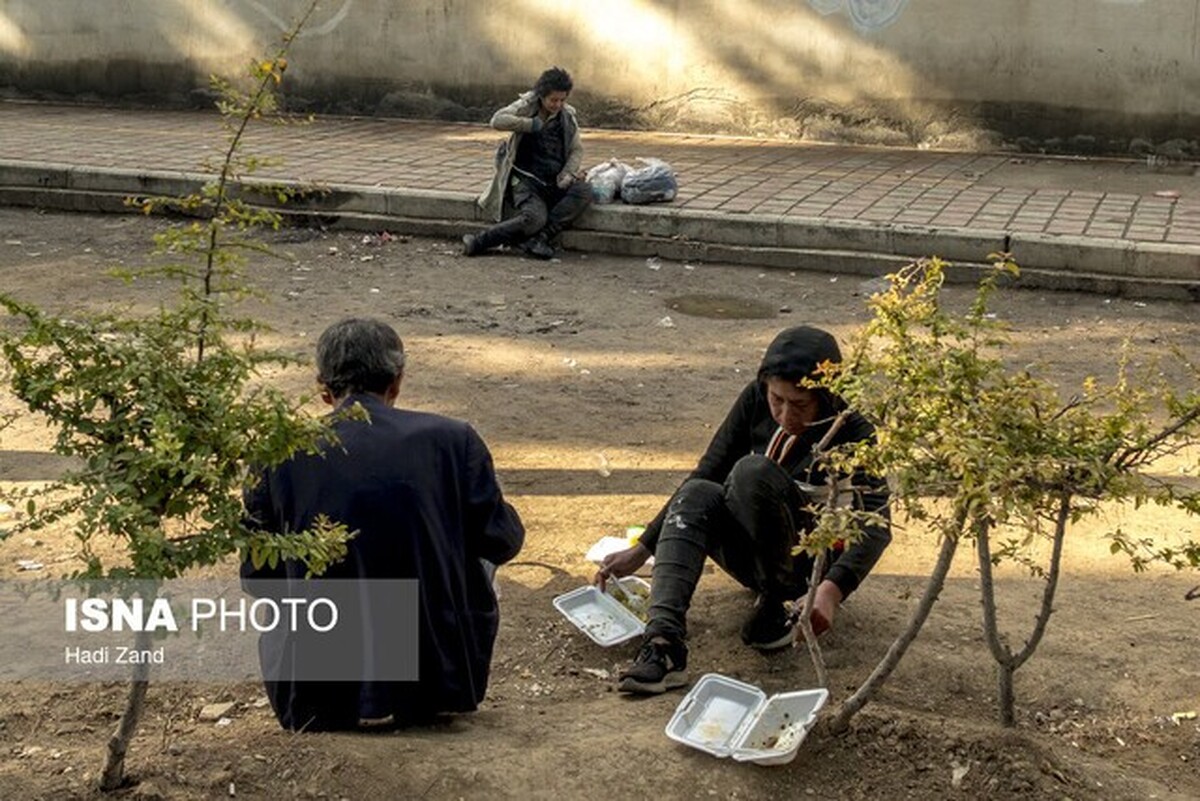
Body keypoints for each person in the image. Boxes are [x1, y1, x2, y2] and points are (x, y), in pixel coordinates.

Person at [242, 317, 524, 730]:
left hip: (313, 693)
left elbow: (257, 578)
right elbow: (502, 542)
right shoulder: (452, 439)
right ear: (397, 380)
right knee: (474, 555)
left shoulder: (275, 453)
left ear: (323, 388)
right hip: (434, 682)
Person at [596, 325, 891, 695]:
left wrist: (830, 590)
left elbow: (876, 523)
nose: (785, 415)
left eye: (800, 404)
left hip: (806, 570)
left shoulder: (852, 429)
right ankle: (663, 644)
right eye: (776, 400)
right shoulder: (754, 398)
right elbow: (708, 471)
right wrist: (643, 548)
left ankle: (780, 605)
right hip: (754, 552)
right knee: (699, 492)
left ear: (827, 397)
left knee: (752, 472)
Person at [463, 66, 591, 260]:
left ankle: (540, 239)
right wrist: (529, 125)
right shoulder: (527, 105)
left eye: (562, 100)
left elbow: (576, 149)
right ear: (542, 95)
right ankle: (479, 241)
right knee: (534, 218)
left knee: (584, 190)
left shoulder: (567, 117)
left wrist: (568, 173)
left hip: (553, 180)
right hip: (525, 181)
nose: (557, 105)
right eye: (553, 100)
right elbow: (497, 120)